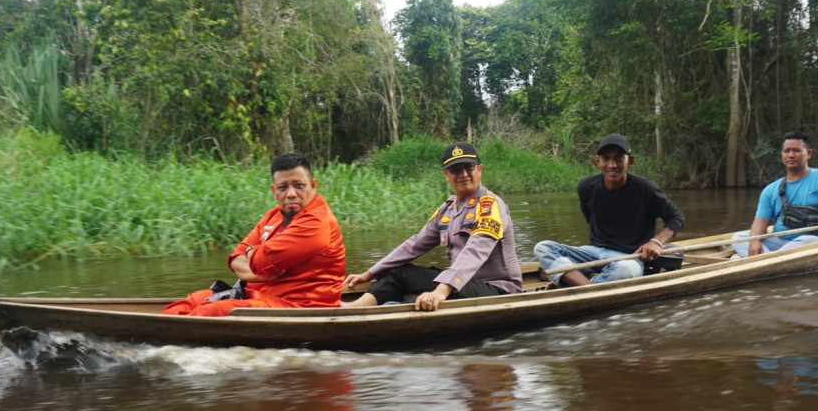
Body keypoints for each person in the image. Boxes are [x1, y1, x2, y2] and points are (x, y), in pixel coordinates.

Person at [341, 142, 523, 311]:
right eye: (455, 170)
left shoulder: (490, 206)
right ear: (446, 175)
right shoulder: (448, 209)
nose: (464, 174)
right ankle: (357, 308)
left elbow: (475, 251)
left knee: (402, 275)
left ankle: (355, 308)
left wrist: (441, 291)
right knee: (398, 271)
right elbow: (413, 245)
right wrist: (369, 273)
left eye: (469, 168)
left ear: (479, 169)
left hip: (498, 289)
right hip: (462, 285)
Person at [161, 153, 345, 316]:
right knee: (193, 300)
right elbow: (235, 259)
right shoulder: (273, 215)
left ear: (313, 186)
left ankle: (166, 342)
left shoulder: (316, 223)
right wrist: (261, 273)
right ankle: (155, 335)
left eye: (298, 186)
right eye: (283, 187)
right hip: (256, 294)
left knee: (211, 310)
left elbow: (259, 260)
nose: (291, 194)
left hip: (298, 306)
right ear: (273, 190)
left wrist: (251, 253)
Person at [533, 133, 685, 287]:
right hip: (592, 252)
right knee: (543, 248)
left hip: (628, 257)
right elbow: (590, 219)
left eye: (619, 158)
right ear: (598, 161)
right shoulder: (586, 186)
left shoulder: (645, 189)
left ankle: (571, 283)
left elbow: (676, 217)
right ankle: (589, 288)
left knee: (626, 269)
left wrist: (656, 242)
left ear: (630, 161)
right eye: (606, 158)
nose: (612, 165)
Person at [731, 131, 818, 257]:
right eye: (786, 151)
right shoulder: (770, 190)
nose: (791, 155)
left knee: (807, 240)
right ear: (782, 154)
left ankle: (767, 261)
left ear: (809, 154)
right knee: (739, 237)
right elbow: (761, 221)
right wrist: (754, 241)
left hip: (813, 242)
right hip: (780, 242)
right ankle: (773, 261)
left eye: (796, 150)